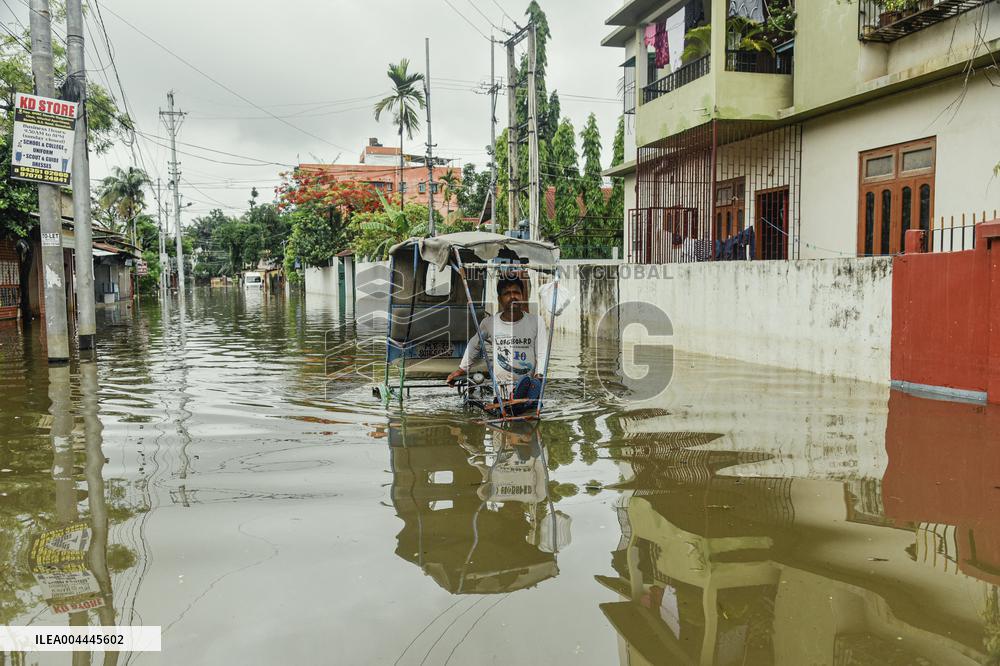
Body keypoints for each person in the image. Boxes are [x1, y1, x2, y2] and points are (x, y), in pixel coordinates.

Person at [446, 273, 549, 415]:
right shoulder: (489, 323)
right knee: (501, 433)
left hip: (529, 392)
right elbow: (474, 345)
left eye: (516, 293)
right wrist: (461, 370)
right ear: (500, 299)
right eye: (507, 293)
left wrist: (539, 377)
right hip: (501, 396)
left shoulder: (536, 321)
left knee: (528, 431)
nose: (512, 297)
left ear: (523, 296)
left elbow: (542, 353)